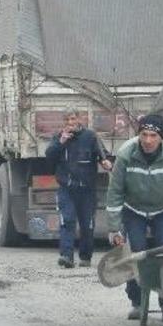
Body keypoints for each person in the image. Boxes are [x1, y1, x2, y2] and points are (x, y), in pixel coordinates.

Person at [106, 114, 163, 320]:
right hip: (134, 210)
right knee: (135, 254)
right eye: (144, 135)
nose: (148, 140)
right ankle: (137, 302)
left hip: (162, 210)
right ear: (138, 134)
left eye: (153, 136)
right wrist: (114, 228)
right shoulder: (126, 154)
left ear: (162, 138)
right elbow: (115, 192)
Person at [45, 108, 112, 268]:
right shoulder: (58, 137)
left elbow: (103, 154)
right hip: (67, 188)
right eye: (67, 120)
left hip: (87, 189)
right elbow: (49, 156)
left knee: (87, 224)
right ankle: (66, 256)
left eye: (73, 119)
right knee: (67, 220)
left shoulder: (90, 136)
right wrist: (61, 142)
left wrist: (106, 162)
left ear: (79, 120)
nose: (70, 123)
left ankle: (85, 257)